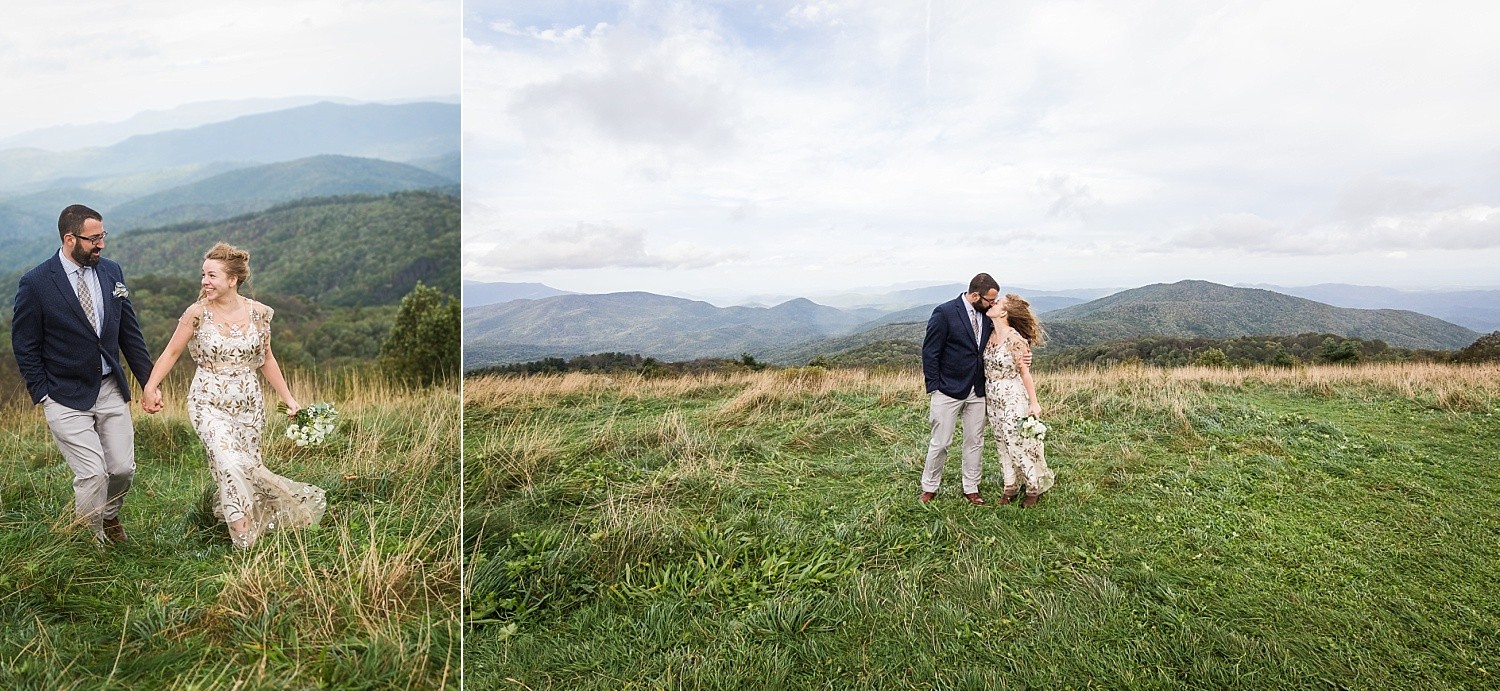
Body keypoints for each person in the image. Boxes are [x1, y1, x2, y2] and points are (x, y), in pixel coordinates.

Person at [141, 242, 326, 548]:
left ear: (232, 280)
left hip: (249, 405)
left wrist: (289, 399)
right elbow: (172, 352)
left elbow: (266, 359)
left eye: (212, 275)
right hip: (207, 401)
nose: (204, 281)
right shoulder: (196, 314)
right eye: (203, 274)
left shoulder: (258, 314)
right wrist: (150, 386)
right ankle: (245, 543)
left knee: (248, 467)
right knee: (228, 463)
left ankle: (271, 515)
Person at [12, 204, 157, 545]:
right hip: (63, 394)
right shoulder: (35, 283)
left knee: (122, 468)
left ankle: (108, 516)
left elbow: (129, 333)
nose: (101, 245)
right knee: (92, 473)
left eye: (102, 236)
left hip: (109, 387)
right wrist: (42, 393)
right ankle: (90, 546)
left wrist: (149, 382)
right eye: (94, 239)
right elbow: (25, 344)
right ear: (69, 238)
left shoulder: (111, 272)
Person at [919, 273, 1000, 505]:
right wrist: (934, 386)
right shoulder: (944, 312)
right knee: (941, 441)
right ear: (975, 295)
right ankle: (930, 486)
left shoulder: (988, 315)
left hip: (978, 389)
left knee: (975, 441)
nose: (993, 304)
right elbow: (930, 352)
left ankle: (971, 487)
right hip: (947, 389)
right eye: (989, 300)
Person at [983, 293, 1055, 507]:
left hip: (1012, 396)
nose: (993, 304)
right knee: (1000, 441)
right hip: (992, 396)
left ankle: (1034, 487)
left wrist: (1034, 403)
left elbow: (1025, 373)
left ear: (1004, 312)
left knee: (1017, 442)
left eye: (997, 303)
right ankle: (1010, 486)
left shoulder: (1015, 340)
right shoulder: (989, 335)